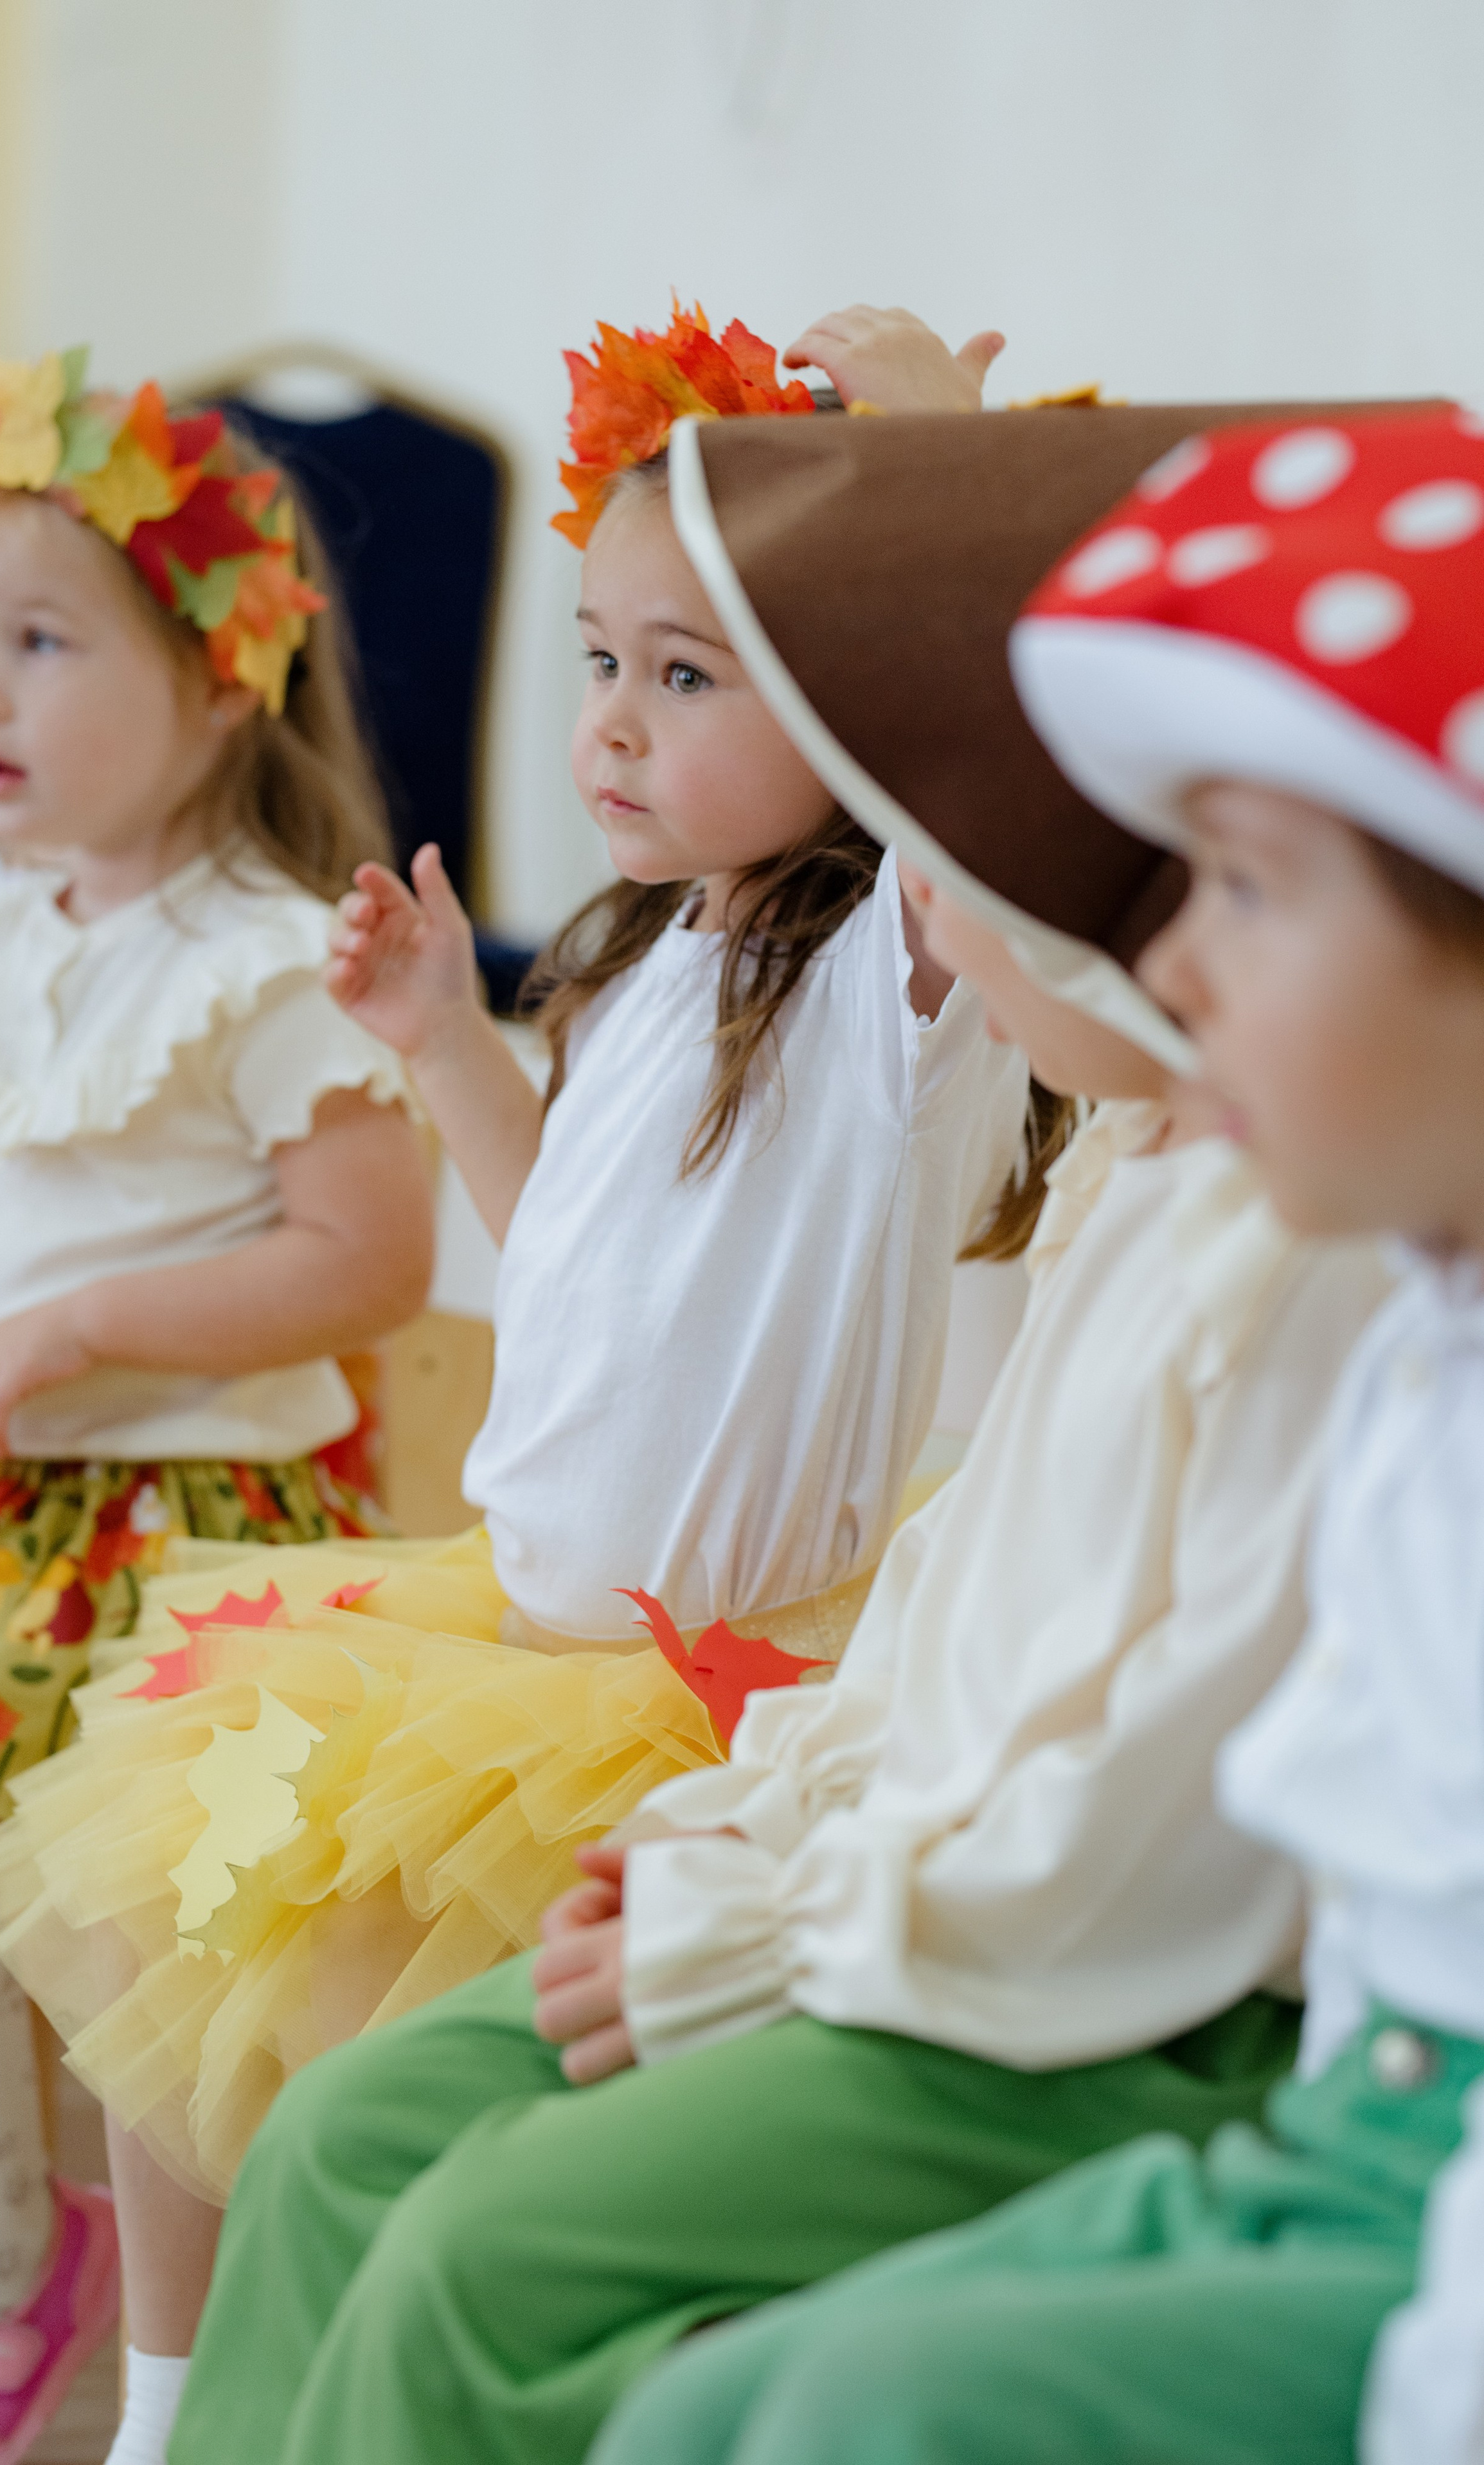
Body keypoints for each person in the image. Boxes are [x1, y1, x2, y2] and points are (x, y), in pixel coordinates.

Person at [156, 393, 1390, 2465]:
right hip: (799, 1799)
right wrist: (738, 1833)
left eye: (1228, 892)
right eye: (600, 661)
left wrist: (764, 1910)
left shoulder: (1186, 1172)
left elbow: (1146, 1814)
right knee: (340, 2131)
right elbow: (937, 1615)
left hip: (1027, 1955)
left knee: (476, 2255)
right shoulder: (1056, 1147)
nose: (1165, 937)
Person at [0, 305, 1030, 2465]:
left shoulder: (887, 984)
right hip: (488, 1631)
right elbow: (571, 1275)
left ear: (840, 702)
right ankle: (169, 2415)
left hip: (692, 1688)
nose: (609, 725)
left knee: (448, 2119)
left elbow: (964, 729)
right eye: (603, 661)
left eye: (688, 676)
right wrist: (450, 1037)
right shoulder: (651, 961)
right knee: (182, 1936)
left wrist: (925, 446)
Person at [595, 402, 1484, 2465]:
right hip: (1345, 2127)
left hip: (1373, 2177)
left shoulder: (1329, 1295)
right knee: (723, 2413)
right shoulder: (1419, 1343)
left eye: (1251, 887)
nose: (1165, 953)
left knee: (853, 2414)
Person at [0, 348, 435, 2465]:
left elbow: (362, 1258)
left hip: (199, 1520)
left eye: (38, 642)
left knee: (154, 1921)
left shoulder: (268, 959)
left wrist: (94, 1324)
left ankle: (184, 2313)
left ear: (216, 681)